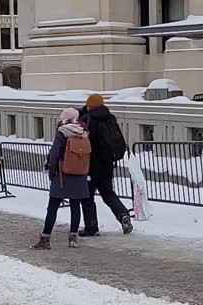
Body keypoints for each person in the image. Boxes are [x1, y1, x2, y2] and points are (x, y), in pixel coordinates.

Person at [31, 108, 91, 250]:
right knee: (76, 207)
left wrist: (52, 173)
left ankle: (45, 239)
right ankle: (73, 238)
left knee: (53, 207)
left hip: (62, 175)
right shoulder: (84, 133)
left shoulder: (62, 132)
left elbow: (54, 154)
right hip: (80, 174)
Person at [78, 94, 133, 237]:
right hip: (107, 164)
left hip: (90, 166)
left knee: (87, 197)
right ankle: (123, 215)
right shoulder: (110, 118)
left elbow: (84, 143)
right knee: (108, 194)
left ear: (89, 105)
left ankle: (91, 227)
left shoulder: (87, 120)